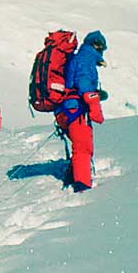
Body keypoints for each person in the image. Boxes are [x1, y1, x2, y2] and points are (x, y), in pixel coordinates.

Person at [55, 31, 108, 192]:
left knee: (79, 145)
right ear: (97, 45)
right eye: (102, 48)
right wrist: (95, 109)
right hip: (76, 110)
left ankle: (73, 175)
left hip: (64, 110)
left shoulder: (78, 57)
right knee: (83, 147)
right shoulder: (86, 60)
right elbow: (85, 86)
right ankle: (82, 186)